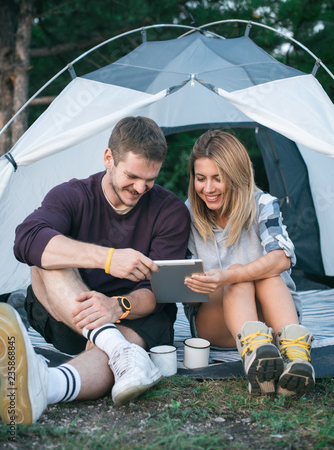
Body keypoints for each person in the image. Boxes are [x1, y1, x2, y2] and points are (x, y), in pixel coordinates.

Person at [0, 116, 190, 426]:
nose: (141, 188)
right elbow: (26, 240)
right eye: (132, 176)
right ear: (108, 159)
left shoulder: (169, 211)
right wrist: (108, 258)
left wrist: (117, 306)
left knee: (125, 340)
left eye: (150, 179)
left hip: (135, 317)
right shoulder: (72, 195)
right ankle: (118, 349)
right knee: (47, 257)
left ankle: (46, 385)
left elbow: (161, 292)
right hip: (66, 312)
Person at [183, 130, 315, 397]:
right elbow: (189, 296)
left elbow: (282, 257)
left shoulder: (263, 204)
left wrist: (233, 275)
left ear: (236, 175)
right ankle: (256, 358)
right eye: (201, 178)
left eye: (218, 179)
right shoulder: (186, 214)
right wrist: (208, 284)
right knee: (237, 279)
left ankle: (296, 360)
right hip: (216, 320)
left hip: (273, 319)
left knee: (262, 273)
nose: (207, 188)